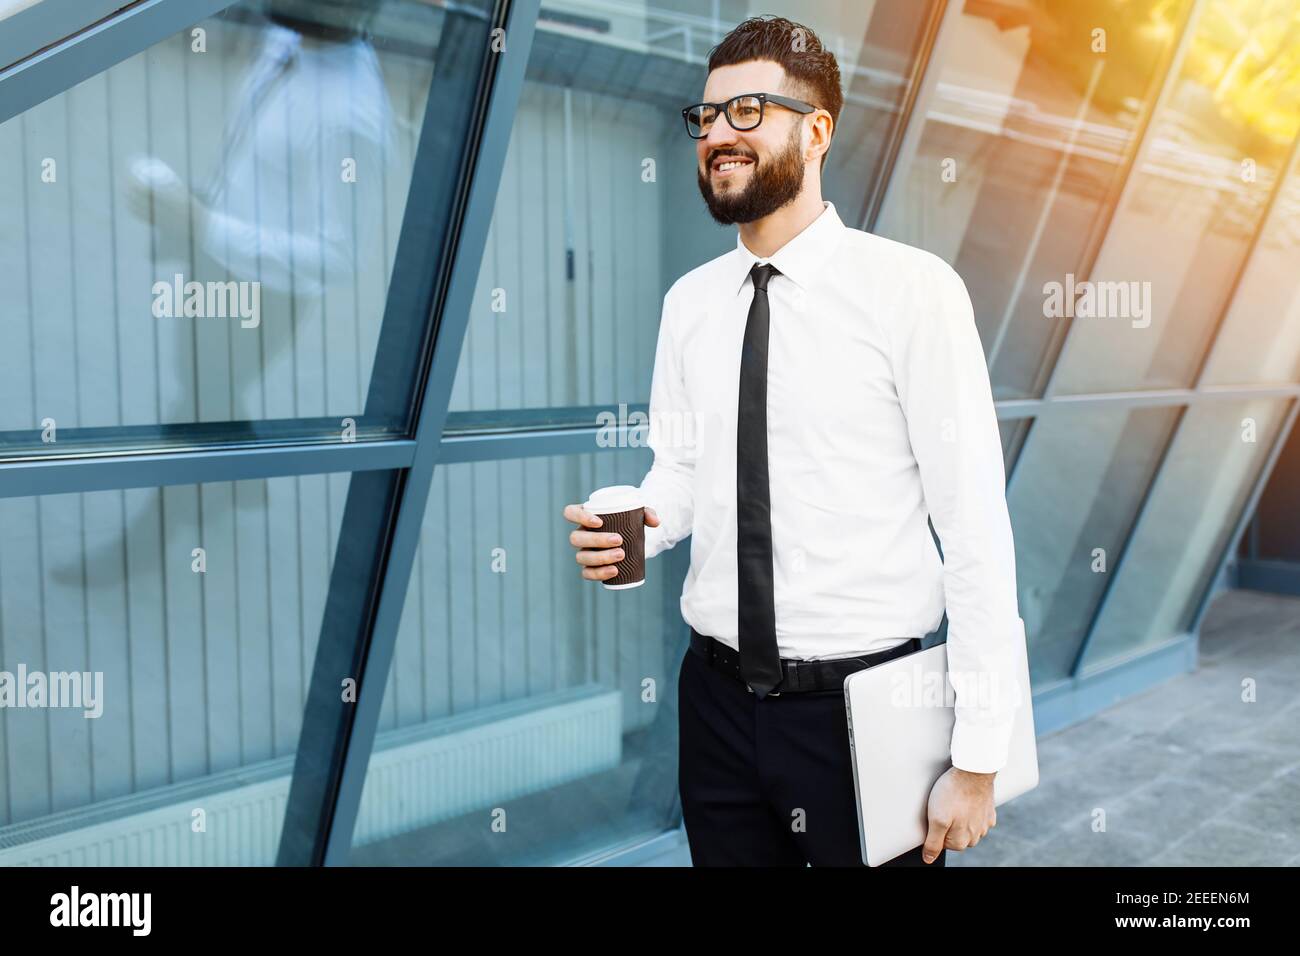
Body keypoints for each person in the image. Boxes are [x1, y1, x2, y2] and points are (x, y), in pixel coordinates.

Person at [563, 15, 1025, 867]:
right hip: (714, 703)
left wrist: (980, 755)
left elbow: (974, 532)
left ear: (816, 132)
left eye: (747, 112)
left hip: (863, 713)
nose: (717, 136)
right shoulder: (689, 304)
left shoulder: (912, 292)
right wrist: (638, 521)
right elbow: (682, 471)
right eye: (705, 118)